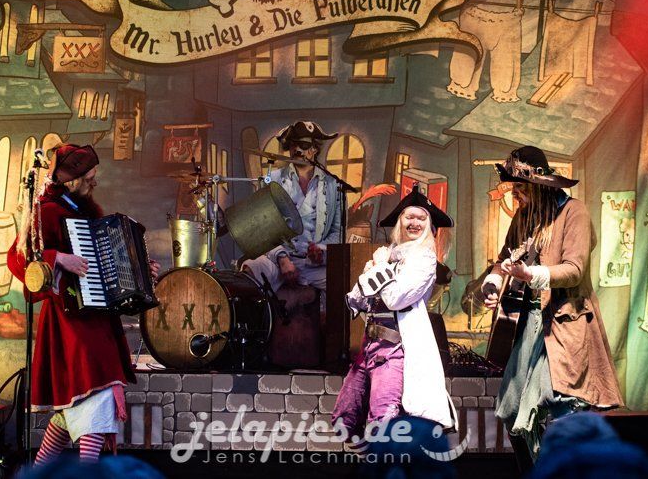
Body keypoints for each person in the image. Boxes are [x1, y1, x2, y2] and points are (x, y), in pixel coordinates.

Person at [7, 143, 160, 464]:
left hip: (96, 320)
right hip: (70, 323)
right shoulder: (47, 211)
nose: (94, 182)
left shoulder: (83, 212)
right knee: (96, 397)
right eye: (89, 178)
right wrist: (58, 258)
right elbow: (19, 258)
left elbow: (105, 265)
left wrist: (140, 272)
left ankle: (40, 472)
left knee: (73, 410)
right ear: (72, 180)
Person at [481, 146, 623, 467]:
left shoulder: (574, 212)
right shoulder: (524, 216)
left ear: (540, 185)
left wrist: (531, 274)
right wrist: (494, 280)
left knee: (560, 406)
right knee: (512, 411)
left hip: (563, 323)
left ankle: (567, 471)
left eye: (521, 187)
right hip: (530, 325)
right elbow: (504, 258)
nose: (515, 195)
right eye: (514, 187)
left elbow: (574, 270)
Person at [332, 187, 456, 440]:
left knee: (383, 420)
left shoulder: (424, 259)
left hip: (395, 349)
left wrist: (379, 268)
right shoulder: (390, 257)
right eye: (409, 217)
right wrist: (374, 270)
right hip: (369, 346)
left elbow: (396, 298)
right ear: (400, 222)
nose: (414, 223)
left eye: (421, 218)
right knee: (344, 419)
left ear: (430, 226)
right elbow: (358, 299)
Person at [241, 120, 341, 306]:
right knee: (251, 270)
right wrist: (281, 258)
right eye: (293, 144)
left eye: (304, 145)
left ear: (315, 149)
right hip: (278, 260)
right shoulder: (273, 180)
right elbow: (263, 229)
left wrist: (321, 250)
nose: (297, 150)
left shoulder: (332, 185)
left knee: (344, 281)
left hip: (315, 265)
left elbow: (337, 232)